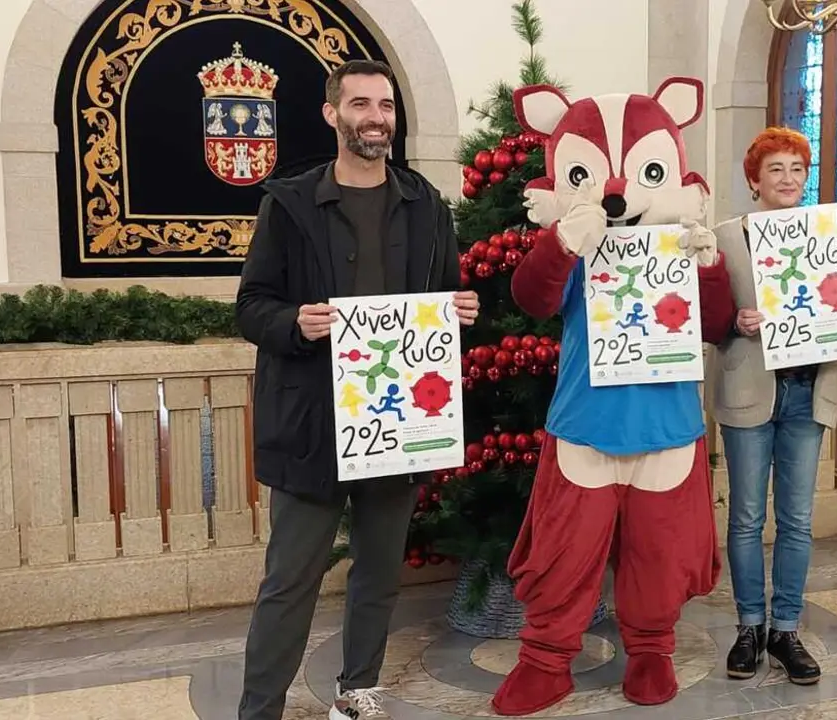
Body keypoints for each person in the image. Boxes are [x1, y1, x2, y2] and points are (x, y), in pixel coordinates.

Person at [234, 59, 480, 720]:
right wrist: (294, 321)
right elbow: (250, 307)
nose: (377, 118)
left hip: (395, 422)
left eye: (387, 106)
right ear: (332, 114)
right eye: (363, 104)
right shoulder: (287, 205)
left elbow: (445, 299)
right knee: (289, 581)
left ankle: (357, 694)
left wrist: (459, 312)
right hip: (312, 425)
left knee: (376, 573)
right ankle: (259, 711)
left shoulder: (426, 204)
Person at [490, 78, 734, 716]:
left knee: (660, 553)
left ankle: (651, 648)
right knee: (563, 554)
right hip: (586, 426)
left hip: (668, 426)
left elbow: (715, 324)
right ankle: (545, 659)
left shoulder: (682, 244)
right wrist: (564, 242)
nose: (620, 191)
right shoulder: (577, 249)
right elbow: (531, 298)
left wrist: (706, 266)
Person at [709, 128, 837, 685]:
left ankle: (785, 628)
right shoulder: (725, 238)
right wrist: (734, 320)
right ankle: (749, 626)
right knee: (747, 516)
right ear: (754, 180)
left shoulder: (831, 234)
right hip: (750, 386)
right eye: (775, 169)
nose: (787, 178)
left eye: (796, 169)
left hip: (809, 388)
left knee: (798, 519)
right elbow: (707, 313)